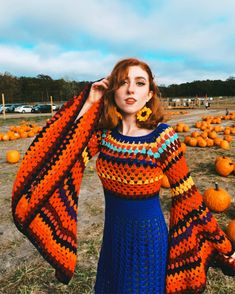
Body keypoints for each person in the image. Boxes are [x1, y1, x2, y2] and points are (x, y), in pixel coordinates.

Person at [12, 58, 235, 294]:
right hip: (113, 237)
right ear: (113, 91)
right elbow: (63, 152)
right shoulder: (104, 137)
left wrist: (224, 245)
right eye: (122, 82)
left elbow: (188, 196)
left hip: (148, 240)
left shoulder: (163, 138)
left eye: (140, 83)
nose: (130, 89)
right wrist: (89, 100)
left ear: (149, 94)